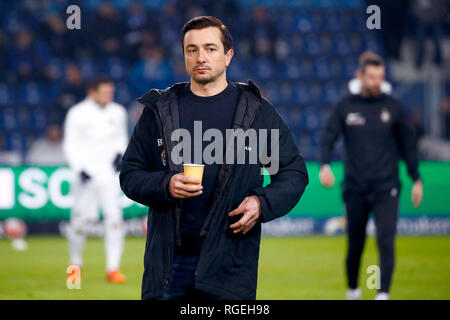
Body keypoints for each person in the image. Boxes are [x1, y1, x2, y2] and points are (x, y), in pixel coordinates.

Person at [119, 16, 309, 300]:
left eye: (210, 48)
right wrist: (166, 185)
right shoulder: (159, 111)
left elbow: (292, 172)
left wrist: (261, 202)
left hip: (230, 263)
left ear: (228, 56)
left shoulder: (255, 111)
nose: (200, 57)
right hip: (169, 263)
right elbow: (130, 174)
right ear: (184, 55)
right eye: (191, 50)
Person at [319, 51, 423, 300]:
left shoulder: (393, 107)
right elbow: (328, 137)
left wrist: (416, 177)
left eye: (380, 77)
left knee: (386, 240)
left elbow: (408, 145)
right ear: (360, 76)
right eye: (371, 76)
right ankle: (353, 290)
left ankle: (382, 294)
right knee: (355, 245)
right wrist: (325, 165)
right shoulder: (345, 106)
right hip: (354, 188)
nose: (376, 81)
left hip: (387, 187)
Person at [63, 76, 128, 283]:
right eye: (104, 92)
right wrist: (79, 168)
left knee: (114, 219)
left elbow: (121, 139)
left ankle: (113, 268)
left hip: (108, 175)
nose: (109, 95)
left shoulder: (118, 112)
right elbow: (70, 144)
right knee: (79, 223)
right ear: (92, 93)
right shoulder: (77, 113)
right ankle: (75, 265)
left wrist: (120, 153)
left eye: (111, 92)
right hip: (85, 175)